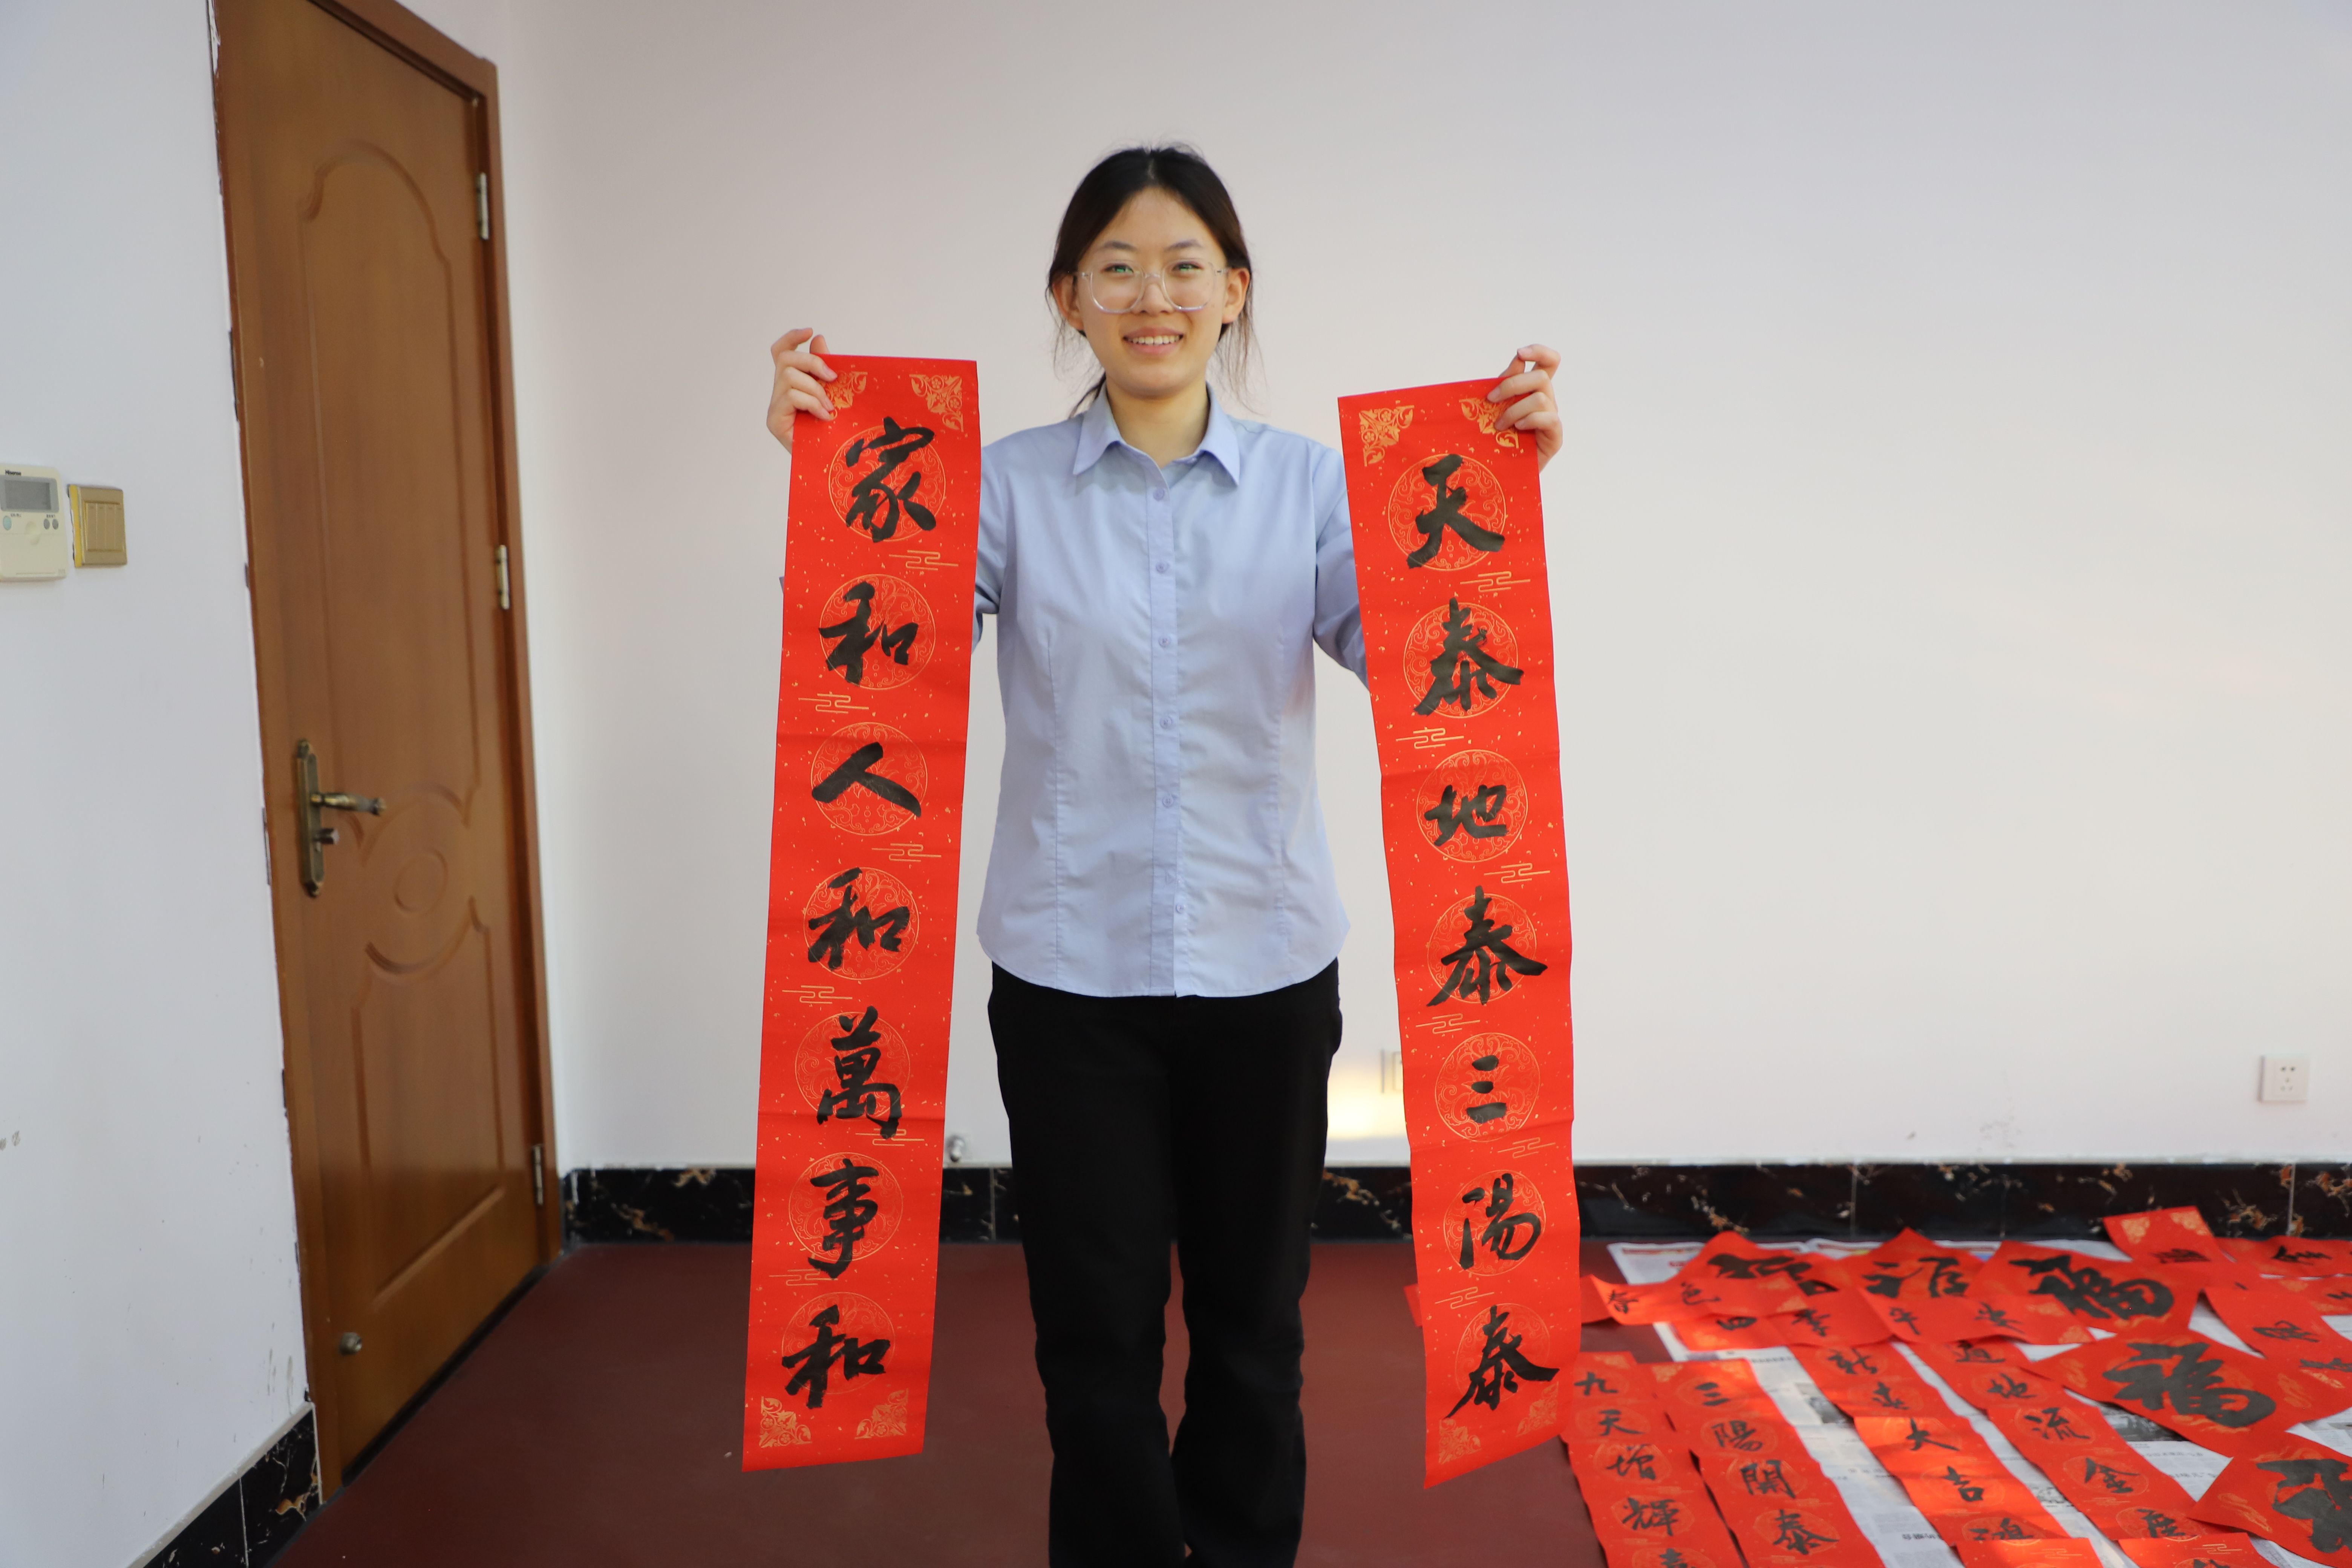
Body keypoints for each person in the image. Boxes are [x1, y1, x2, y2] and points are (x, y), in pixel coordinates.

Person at [765, 144, 1560, 1568]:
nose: (1154, 296)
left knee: (1256, 1333)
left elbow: (1425, 667)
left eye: (1186, 266)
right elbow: (876, 650)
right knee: (1096, 1339)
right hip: (1071, 982)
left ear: (1234, 291)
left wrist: (1499, 500)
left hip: (1268, 970)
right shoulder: (1000, 489)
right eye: (1118, 267)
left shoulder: (1311, 490)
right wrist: (823, 473)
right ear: (1068, 297)